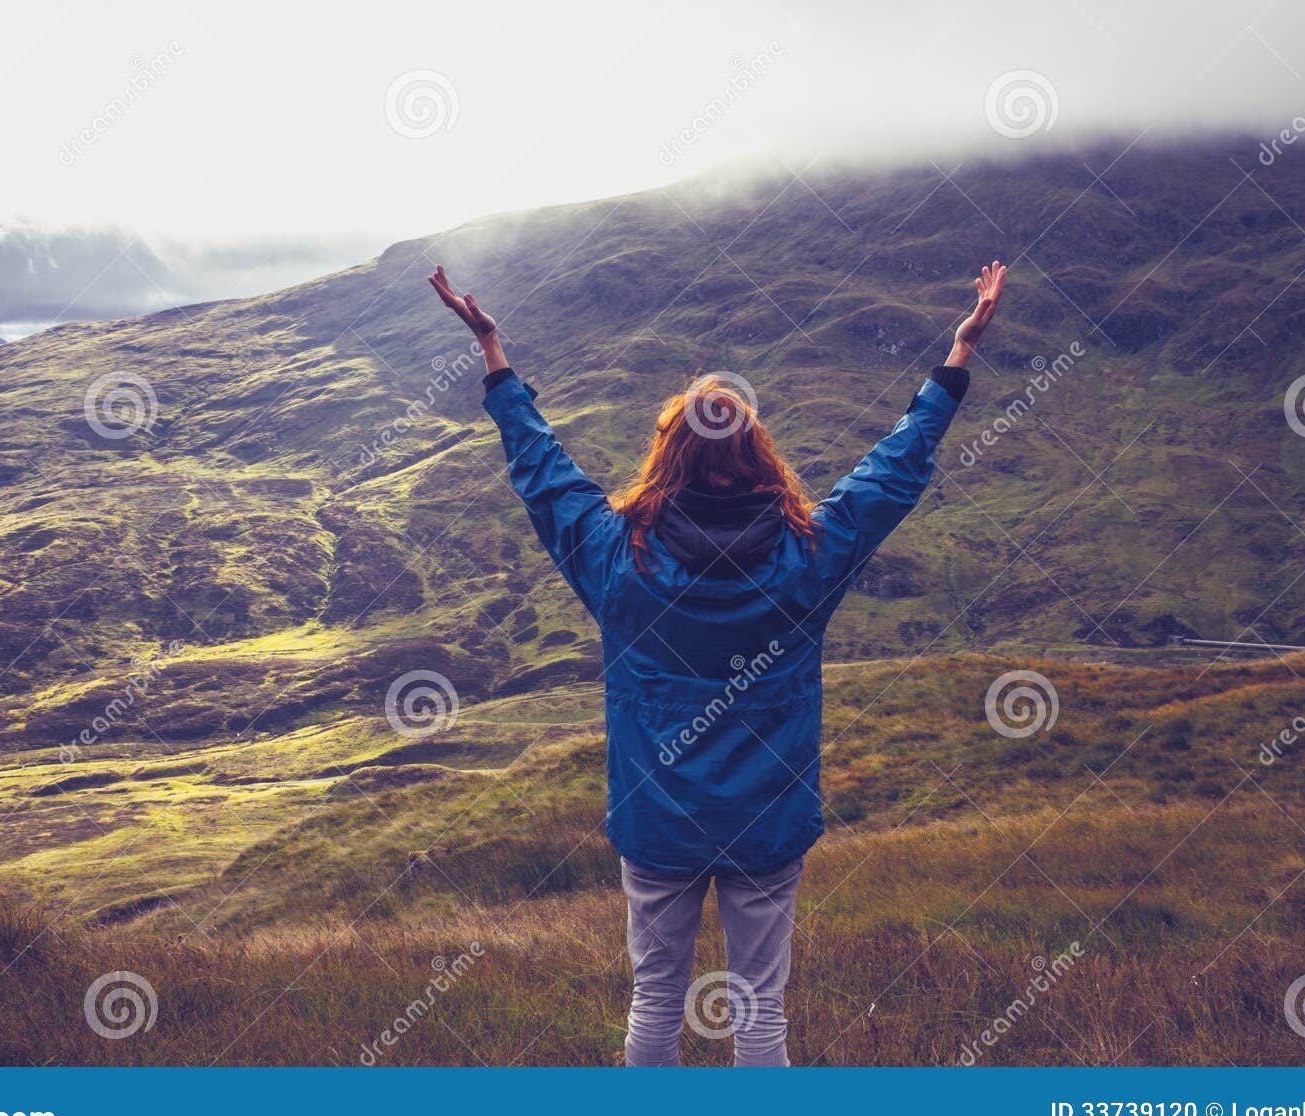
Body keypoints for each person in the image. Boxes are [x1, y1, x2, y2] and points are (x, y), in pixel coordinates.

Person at [428, 259, 1007, 1066]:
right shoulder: (809, 555)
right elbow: (892, 472)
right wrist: (958, 353)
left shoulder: (615, 558)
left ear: (668, 461)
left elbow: (542, 471)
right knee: (760, 1007)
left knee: (657, 1000)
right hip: (767, 820)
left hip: (657, 819)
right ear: (759, 456)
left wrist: (494, 353)